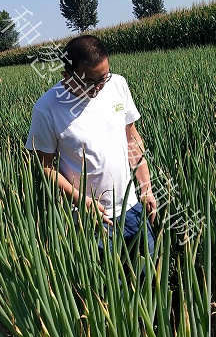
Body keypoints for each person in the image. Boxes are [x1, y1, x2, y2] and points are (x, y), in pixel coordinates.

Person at [26, 35, 156, 256]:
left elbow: (131, 137)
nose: (98, 88)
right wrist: (81, 201)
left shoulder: (117, 85)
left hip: (133, 207)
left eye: (103, 78)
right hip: (94, 219)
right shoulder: (47, 108)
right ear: (67, 76)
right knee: (111, 287)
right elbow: (43, 165)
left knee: (150, 277)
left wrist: (146, 186)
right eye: (89, 82)